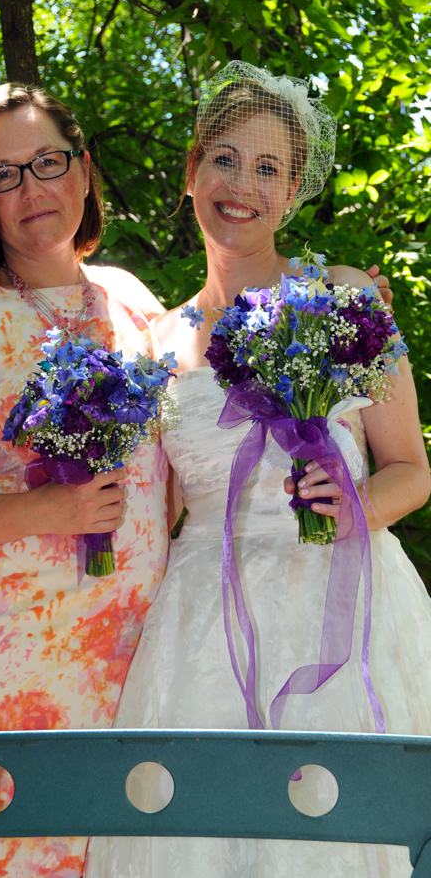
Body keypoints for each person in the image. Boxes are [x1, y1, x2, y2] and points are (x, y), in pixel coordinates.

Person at [84, 62, 431, 878]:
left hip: (348, 599)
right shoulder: (156, 347)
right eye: (225, 159)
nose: (242, 184)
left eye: (268, 167)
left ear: (295, 188)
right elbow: (153, 512)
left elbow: (412, 469)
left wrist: (353, 508)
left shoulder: (343, 295)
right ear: (193, 172)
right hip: (201, 623)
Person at [0, 83, 171, 878]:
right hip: (21, 659)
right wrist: (51, 506)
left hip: (147, 651)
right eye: (4, 175)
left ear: (83, 173)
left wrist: (348, 296)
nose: (32, 189)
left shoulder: (134, 300)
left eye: (47, 162)